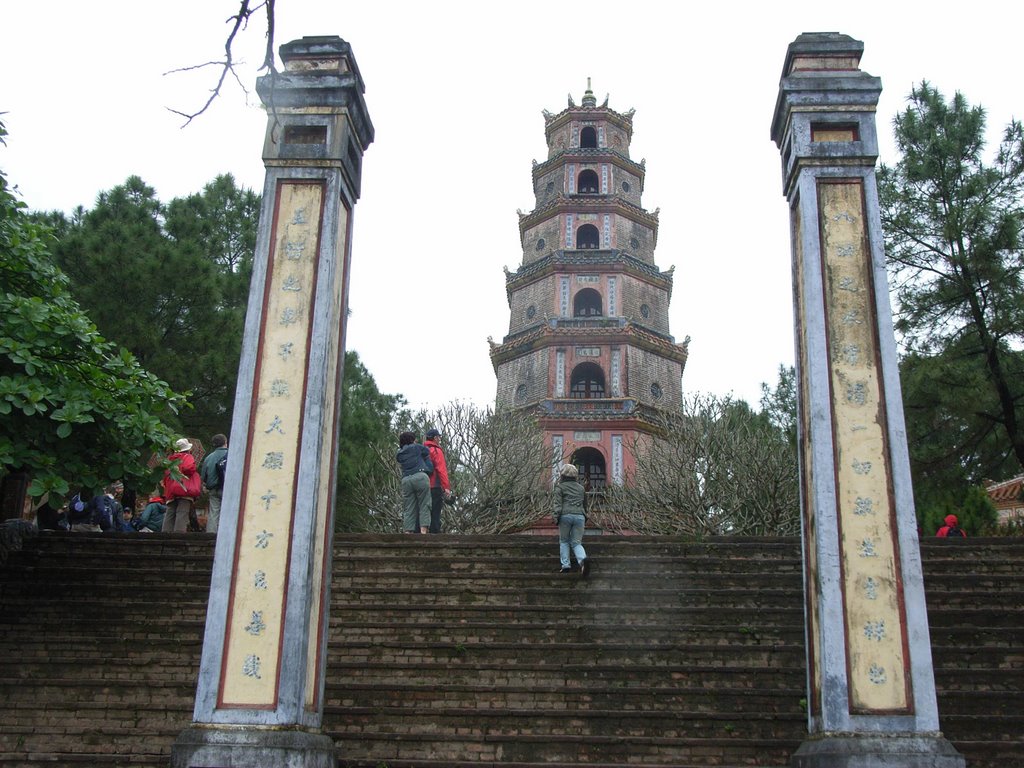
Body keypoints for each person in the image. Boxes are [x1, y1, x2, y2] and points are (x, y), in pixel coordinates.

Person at [552, 463, 589, 576]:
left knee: (564, 541)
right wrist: (585, 515)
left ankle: (566, 565)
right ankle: (583, 561)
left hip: (565, 515)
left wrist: (555, 517)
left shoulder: (560, 487)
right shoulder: (581, 488)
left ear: (562, 475)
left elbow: (557, 504)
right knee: (577, 543)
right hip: (580, 516)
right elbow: (585, 505)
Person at [396, 431, 433, 534]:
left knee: (409, 506)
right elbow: (426, 451)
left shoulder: (399, 453)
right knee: (424, 504)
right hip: (420, 476)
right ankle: (423, 530)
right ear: (412, 440)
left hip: (406, 479)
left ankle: (408, 531)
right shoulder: (416, 447)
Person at [162, 438, 201, 532]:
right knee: (182, 512)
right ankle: (178, 534)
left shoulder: (170, 459)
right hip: (184, 488)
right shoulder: (187, 457)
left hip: (171, 489)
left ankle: (165, 534)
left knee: (170, 512)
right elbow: (189, 468)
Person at [424, 428, 452, 534]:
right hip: (434, 485)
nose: (440, 439)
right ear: (435, 438)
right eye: (439, 437)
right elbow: (441, 469)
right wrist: (446, 487)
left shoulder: (422, 449)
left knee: (423, 509)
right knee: (436, 510)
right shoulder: (436, 450)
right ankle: (434, 533)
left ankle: (421, 532)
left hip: (422, 485)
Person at [200, 433, 228, 535]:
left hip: (213, 489)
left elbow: (203, 476)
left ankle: (211, 535)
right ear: (225, 442)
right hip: (228, 489)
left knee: (213, 512)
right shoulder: (231, 455)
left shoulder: (209, 458)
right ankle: (225, 533)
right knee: (228, 512)